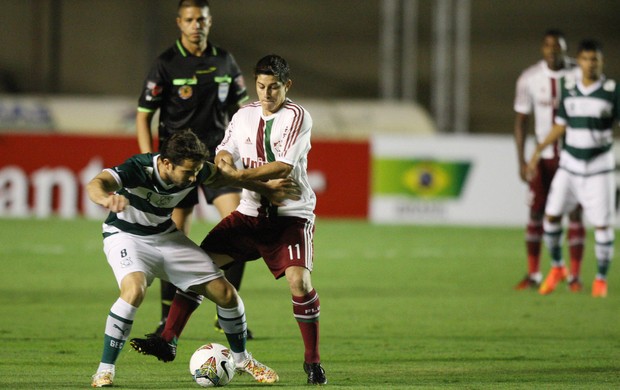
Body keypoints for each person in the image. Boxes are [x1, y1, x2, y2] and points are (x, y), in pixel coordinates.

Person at [131, 54, 327, 385]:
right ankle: (167, 340)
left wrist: (235, 175)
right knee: (198, 267)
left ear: (287, 86)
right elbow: (224, 149)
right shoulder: (244, 114)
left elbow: (283, 168)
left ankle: (313, 362)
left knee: (300, 282)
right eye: (261, 86)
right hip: (248, 214)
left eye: (274, 87)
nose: (266, 94)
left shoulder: (297, 116)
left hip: (289, 216)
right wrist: (225, 163)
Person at [88, 130, 296, 387]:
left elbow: (224, 178)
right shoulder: (138, 168)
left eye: (196, 171)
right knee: (134, 290)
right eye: (188, 172)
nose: (194, 177)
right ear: (166, 163)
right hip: (126, 236)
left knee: (226, 294)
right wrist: (106, 198)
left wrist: (266, 189)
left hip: (165, 236)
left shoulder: (195, 170)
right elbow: (96, 183)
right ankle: (104, 370)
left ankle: (242, 360)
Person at [135, 0, 251, 337]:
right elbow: (144, 114)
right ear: (179, 23)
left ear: (209, 21)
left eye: (201, 19)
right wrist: (150, 161)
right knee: (174, 239)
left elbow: (241, 113)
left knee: (240, 231)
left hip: (216, 160)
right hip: (177, 165)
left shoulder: (224, 60)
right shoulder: (166, 64)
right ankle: (165, 320)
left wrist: (241, 151)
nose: (195, 24)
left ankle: (226, 310)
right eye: (189, 19)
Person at [527, 39, 620, 298]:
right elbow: (560, 125)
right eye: (586, 59)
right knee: (551, 218)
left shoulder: (612, 91)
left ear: (602, 63)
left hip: (599, 169)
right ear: (578, 62)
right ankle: (557, 267)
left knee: (602, 226)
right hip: (569, 166)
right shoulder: (569, 89)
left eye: (595, 60)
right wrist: (537, 150)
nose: (590, 64)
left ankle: (600, 279)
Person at [513, 29, 585, 291]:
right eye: (548, 46)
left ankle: (574, 277)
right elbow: (521, 121)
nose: (552, 50)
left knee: (575, 214)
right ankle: (534, 274)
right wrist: (521, 160)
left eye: (558, 46)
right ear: (542, 49)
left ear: (565, 49)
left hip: (573, 156)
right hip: (542, 159)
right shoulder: (530, 78)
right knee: (536, 213)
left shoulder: (579, 74)